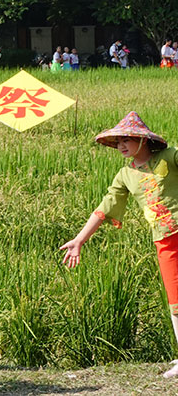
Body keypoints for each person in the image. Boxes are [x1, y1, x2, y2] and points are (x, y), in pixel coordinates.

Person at [60, 111, 178, 379]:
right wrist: (79, 240)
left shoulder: (170, 156)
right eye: (117, 142)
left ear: (143, 140)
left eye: (126, 140)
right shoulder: (125, 175)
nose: (121, 146)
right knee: (176, 299)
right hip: (164, 240)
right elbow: (105, 207)